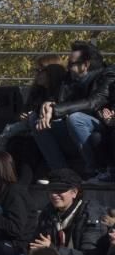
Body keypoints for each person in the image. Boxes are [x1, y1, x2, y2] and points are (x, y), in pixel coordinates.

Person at [33, 41, 114, 181]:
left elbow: (93, 102)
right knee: (36, 120)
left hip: (102, 124)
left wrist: (55, 109)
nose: (68, 68)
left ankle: (94, 171)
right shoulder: (70, 78)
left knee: (76, 118)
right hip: (73, 127)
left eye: (71, 64)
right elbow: (58, 98)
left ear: (86, 65)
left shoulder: (107, 75)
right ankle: (61, 173)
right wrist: (47, 105)